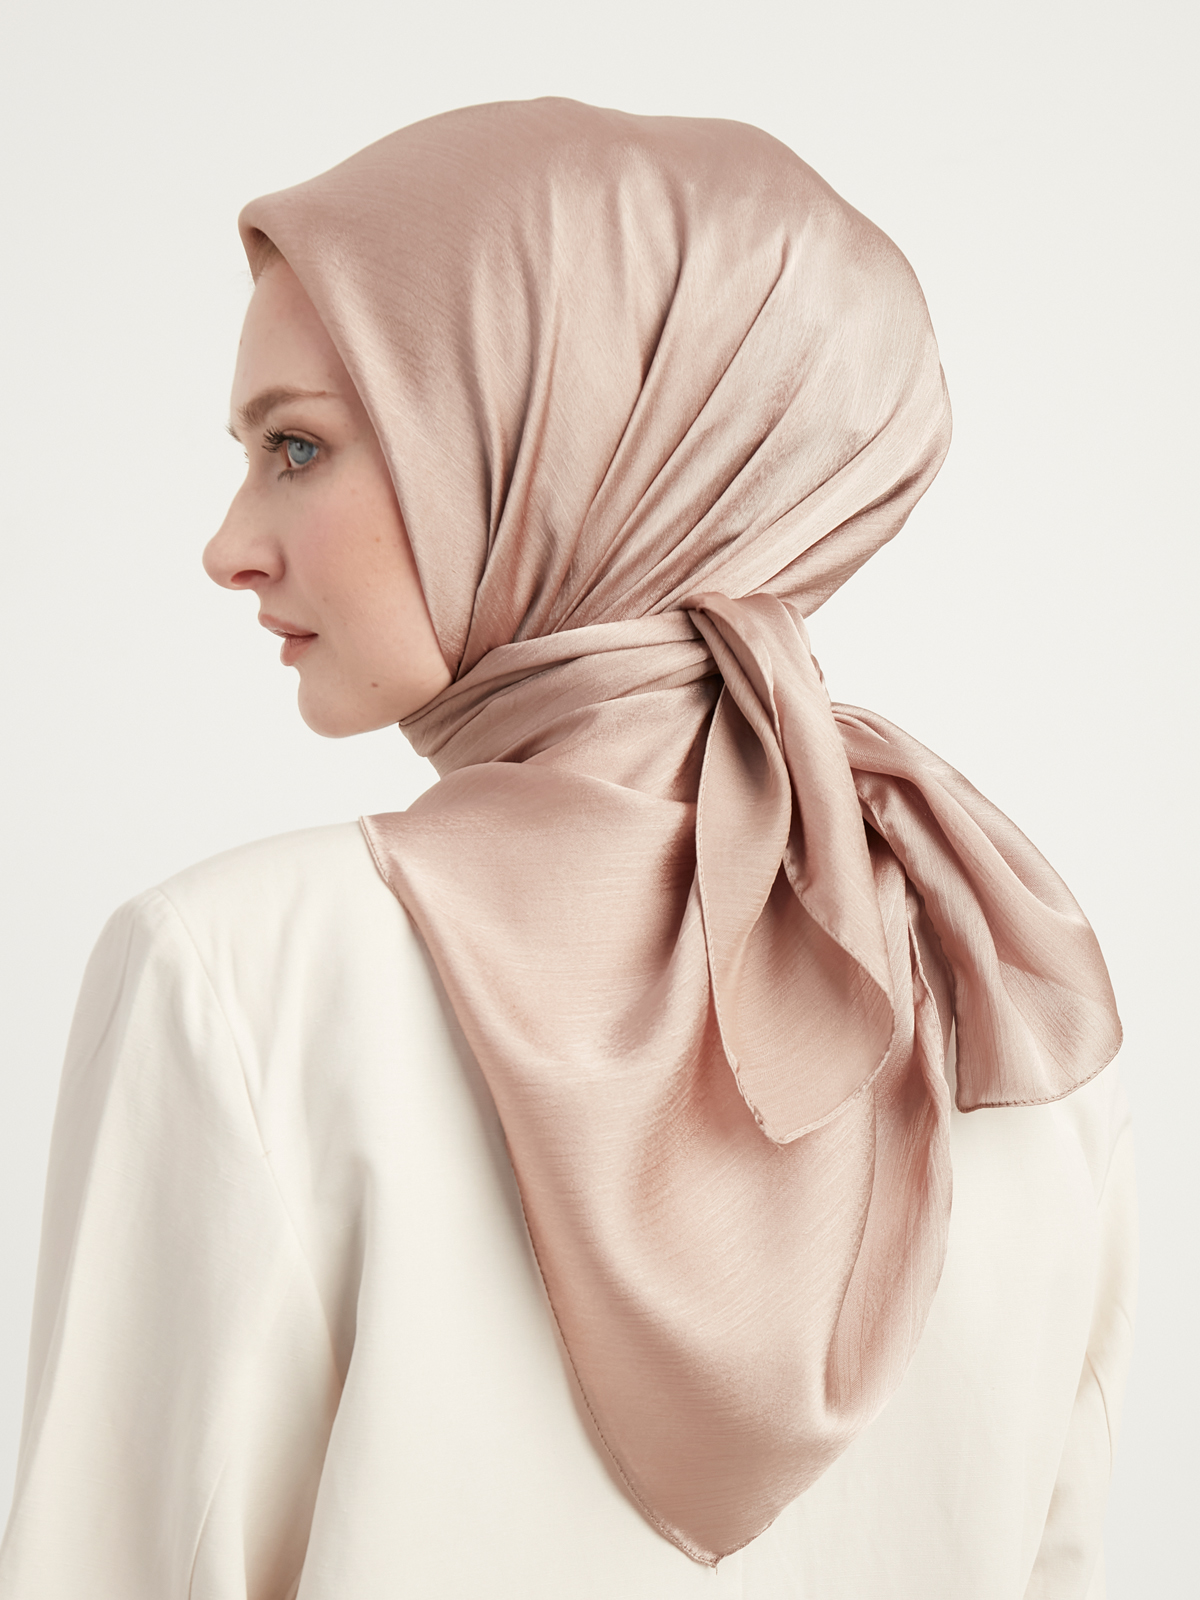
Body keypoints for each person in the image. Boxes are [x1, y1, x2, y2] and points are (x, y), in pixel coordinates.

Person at [0, 98, 1134, 1600]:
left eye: (297, 447)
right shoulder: (1014, 993)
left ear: (547, 444)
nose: (229, 546)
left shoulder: (235, 978)